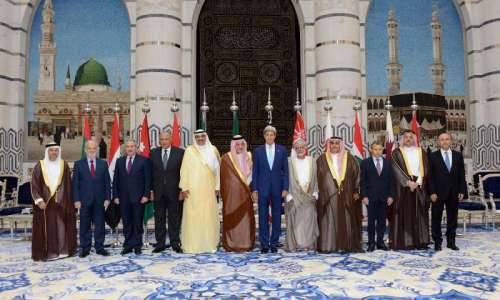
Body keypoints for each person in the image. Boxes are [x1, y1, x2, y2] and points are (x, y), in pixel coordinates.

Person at [31, 142, 77, 261]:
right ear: (47, 152)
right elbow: (35, 185)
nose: (54, 153)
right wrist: (39, 200)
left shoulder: (64, 165)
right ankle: (50, 252)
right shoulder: (40, 165)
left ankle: (62, 250)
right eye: (51, 150)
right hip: (45, 203)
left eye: (56, 150)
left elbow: (67, 184)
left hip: (62, 203)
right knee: (49, 228)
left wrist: (63, 199)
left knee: (61, 227)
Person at [316, 136, 361, 253]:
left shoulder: (350, 159)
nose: (334, 146)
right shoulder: (321, 159)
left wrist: (356, 191)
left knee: (346, 219)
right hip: (328, 196)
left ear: (341, 145)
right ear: (328, 145)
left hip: (346, 195)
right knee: (329, 220)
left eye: (337, 143)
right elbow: (317, 177)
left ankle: (346, 245)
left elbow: (357, 175)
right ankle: (329, 245)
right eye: (332, 143)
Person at [179, 129, 221, 253]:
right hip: (192, 190)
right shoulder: (189, 151)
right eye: (198, 137)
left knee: (208, 217)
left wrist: (217, 187)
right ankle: (193, 245)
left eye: (202, 136)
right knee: (193, 217)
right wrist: (184, 188)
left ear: (206, 137)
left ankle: (209, 244)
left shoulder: (213, 150)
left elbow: (218, 170)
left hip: (208, 189)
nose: (200, 139)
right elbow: (184, 170)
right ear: (195, 138)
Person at [390, 130, 430, 250]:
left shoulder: (421, 152)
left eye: (411, 137)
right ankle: (406, 242)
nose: (408, 139)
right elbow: (395, 169)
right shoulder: (396, 152)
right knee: (404, 213)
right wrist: (407, 182)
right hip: (403, 188)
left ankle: (420, 241)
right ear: (403, 139)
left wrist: (417, 182)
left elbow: (426, 168)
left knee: (420, 214)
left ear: (414, 139)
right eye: (406, 137)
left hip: (419, 187)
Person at [251, 125, 289, 253]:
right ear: (264, 136)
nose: (269, 137)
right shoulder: (258, 151)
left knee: (277, 215)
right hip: (262, 189)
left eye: (272, 135)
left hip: (278, 188)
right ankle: (264, 244)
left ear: (275, 136)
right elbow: (255, 172)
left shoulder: (282, 150)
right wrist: (254, 189)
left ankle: (274, 243)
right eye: (267, 135)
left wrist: (285, 187)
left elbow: (285, 171)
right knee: (263, 216)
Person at [428, 132, 467, 251]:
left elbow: (461, 174)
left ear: (451, 141)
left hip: (454, 192)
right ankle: (437, 242)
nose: (444, 141)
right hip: (438, 193)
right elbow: (430, 177)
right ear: (438, 142)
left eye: (447, 139)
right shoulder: (432, 156)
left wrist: (462, 190)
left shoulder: (458, 155)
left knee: (452, 218)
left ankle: (451, 242)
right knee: (436, 218)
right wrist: (432, 192)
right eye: (442, 140)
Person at [72, 140, 111, 257]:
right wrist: (76, 199)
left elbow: (107, 183)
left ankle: (99, 247)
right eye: (89, 148)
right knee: (84, 225)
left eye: (94, 148)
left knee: (100, 225)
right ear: (86, 150)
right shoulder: (78, 164)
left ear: (97, 150)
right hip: (83, 201)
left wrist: (107, 198)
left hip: (100, 200)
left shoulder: (103, 164)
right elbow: (75, 184)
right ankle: (85, 248)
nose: (92, 151)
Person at [113, 139, 151, 255]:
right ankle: (128, 244)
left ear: (136, 148)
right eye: (128, 147)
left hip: (139, 198)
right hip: (123, 198)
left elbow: (147, 180)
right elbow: (115, 180)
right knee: (127, 222)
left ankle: (137, 245)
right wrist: (115, 196)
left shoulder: (144, 161)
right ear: (125, 149)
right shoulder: (120, 161)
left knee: (137, 222)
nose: (130, 148)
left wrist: (146, 195)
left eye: (132, 146)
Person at [150, 132, 185, 253]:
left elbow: (183, 173)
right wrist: (151, 190)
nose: (164, 141)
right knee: (159, 218)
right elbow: (151, 174)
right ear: (159, 140)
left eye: (166, 139)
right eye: (162, 139)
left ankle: (175, 243)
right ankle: (160, 243)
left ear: (171, 139)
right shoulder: (153, 153)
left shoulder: (180, 152)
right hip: (158, 192)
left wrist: (182, 190)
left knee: (174, 218)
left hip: (174, 192)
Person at [220, 135, 255, 252]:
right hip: (232, 196)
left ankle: (246, 243)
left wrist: (248, 186)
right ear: (233, 145)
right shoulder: (226, 158)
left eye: (242, 144)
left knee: (246, 219)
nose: (240, 147)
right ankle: (232, 243)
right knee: (232, 217)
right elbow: (224, 178)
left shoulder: (248, 157)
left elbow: (251, 175)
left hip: (245, 193)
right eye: (237, 145)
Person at [285, 138, 319, 252]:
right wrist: (288, 194)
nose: (300, 149)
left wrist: (315, 192)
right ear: (294, 149)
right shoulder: (289, 161)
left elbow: (316, 177)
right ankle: (298, 244)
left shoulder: (312, 161)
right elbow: (285, 178)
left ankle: (308, 244)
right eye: (298, 148)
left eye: (302, 147)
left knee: (309, 221)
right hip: (294, 195)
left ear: (306, 149)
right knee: (297, 222)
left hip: (309, 195)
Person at [360, 141, 394, 252]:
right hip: (370, 198)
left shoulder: (388, 163)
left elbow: (391, 181)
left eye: (380, 149)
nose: (378, 151)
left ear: (382, 150)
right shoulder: (365, 163)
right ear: (371, 150)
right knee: (371, 222)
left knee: (382, 222)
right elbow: (363, 181)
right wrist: (364, 196)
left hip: (384, 197)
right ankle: (371, 243)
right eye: (375, 149)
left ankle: (380, 243)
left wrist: (391, 196)